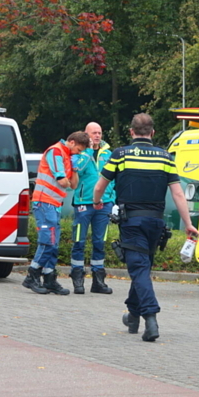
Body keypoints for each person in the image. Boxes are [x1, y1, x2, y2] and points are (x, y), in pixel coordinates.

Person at [92, 113, 199, 342]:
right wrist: (188, 223)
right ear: (152, 133)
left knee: (139, 269)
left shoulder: (120, 154)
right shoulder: (165, 156)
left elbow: (101, 185)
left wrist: (96, 202)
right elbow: (178, 192)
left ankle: (151, 318)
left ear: (131, 132)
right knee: (142, 267)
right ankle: (133, 315)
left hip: (132, 222)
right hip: (156, 224)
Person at [24, 131, 89, 295]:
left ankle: (49, 277)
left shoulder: (67, 156)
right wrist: (67, 179)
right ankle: (32, 275)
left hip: (54, 204)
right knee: (47, 241)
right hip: (44, 202)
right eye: (79, 150)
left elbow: (73, 185)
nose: (79, 154)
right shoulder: (56, 151)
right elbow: (62, 180)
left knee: (53, 243)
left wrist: (74, 169)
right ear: (72, 142)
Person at [68, 122, 115, 295]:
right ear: (86, 135)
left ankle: (98, 280)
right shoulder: (79, 154)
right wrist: (87, 150)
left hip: (105, 203)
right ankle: (78, 278)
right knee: (79, 241)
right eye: (94, 133)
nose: (97, 136)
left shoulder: (108, 154)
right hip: (84, 203)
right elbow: (76, 169)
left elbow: (113, 177)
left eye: (100, 133)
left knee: (99, 242)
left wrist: (113, 198)